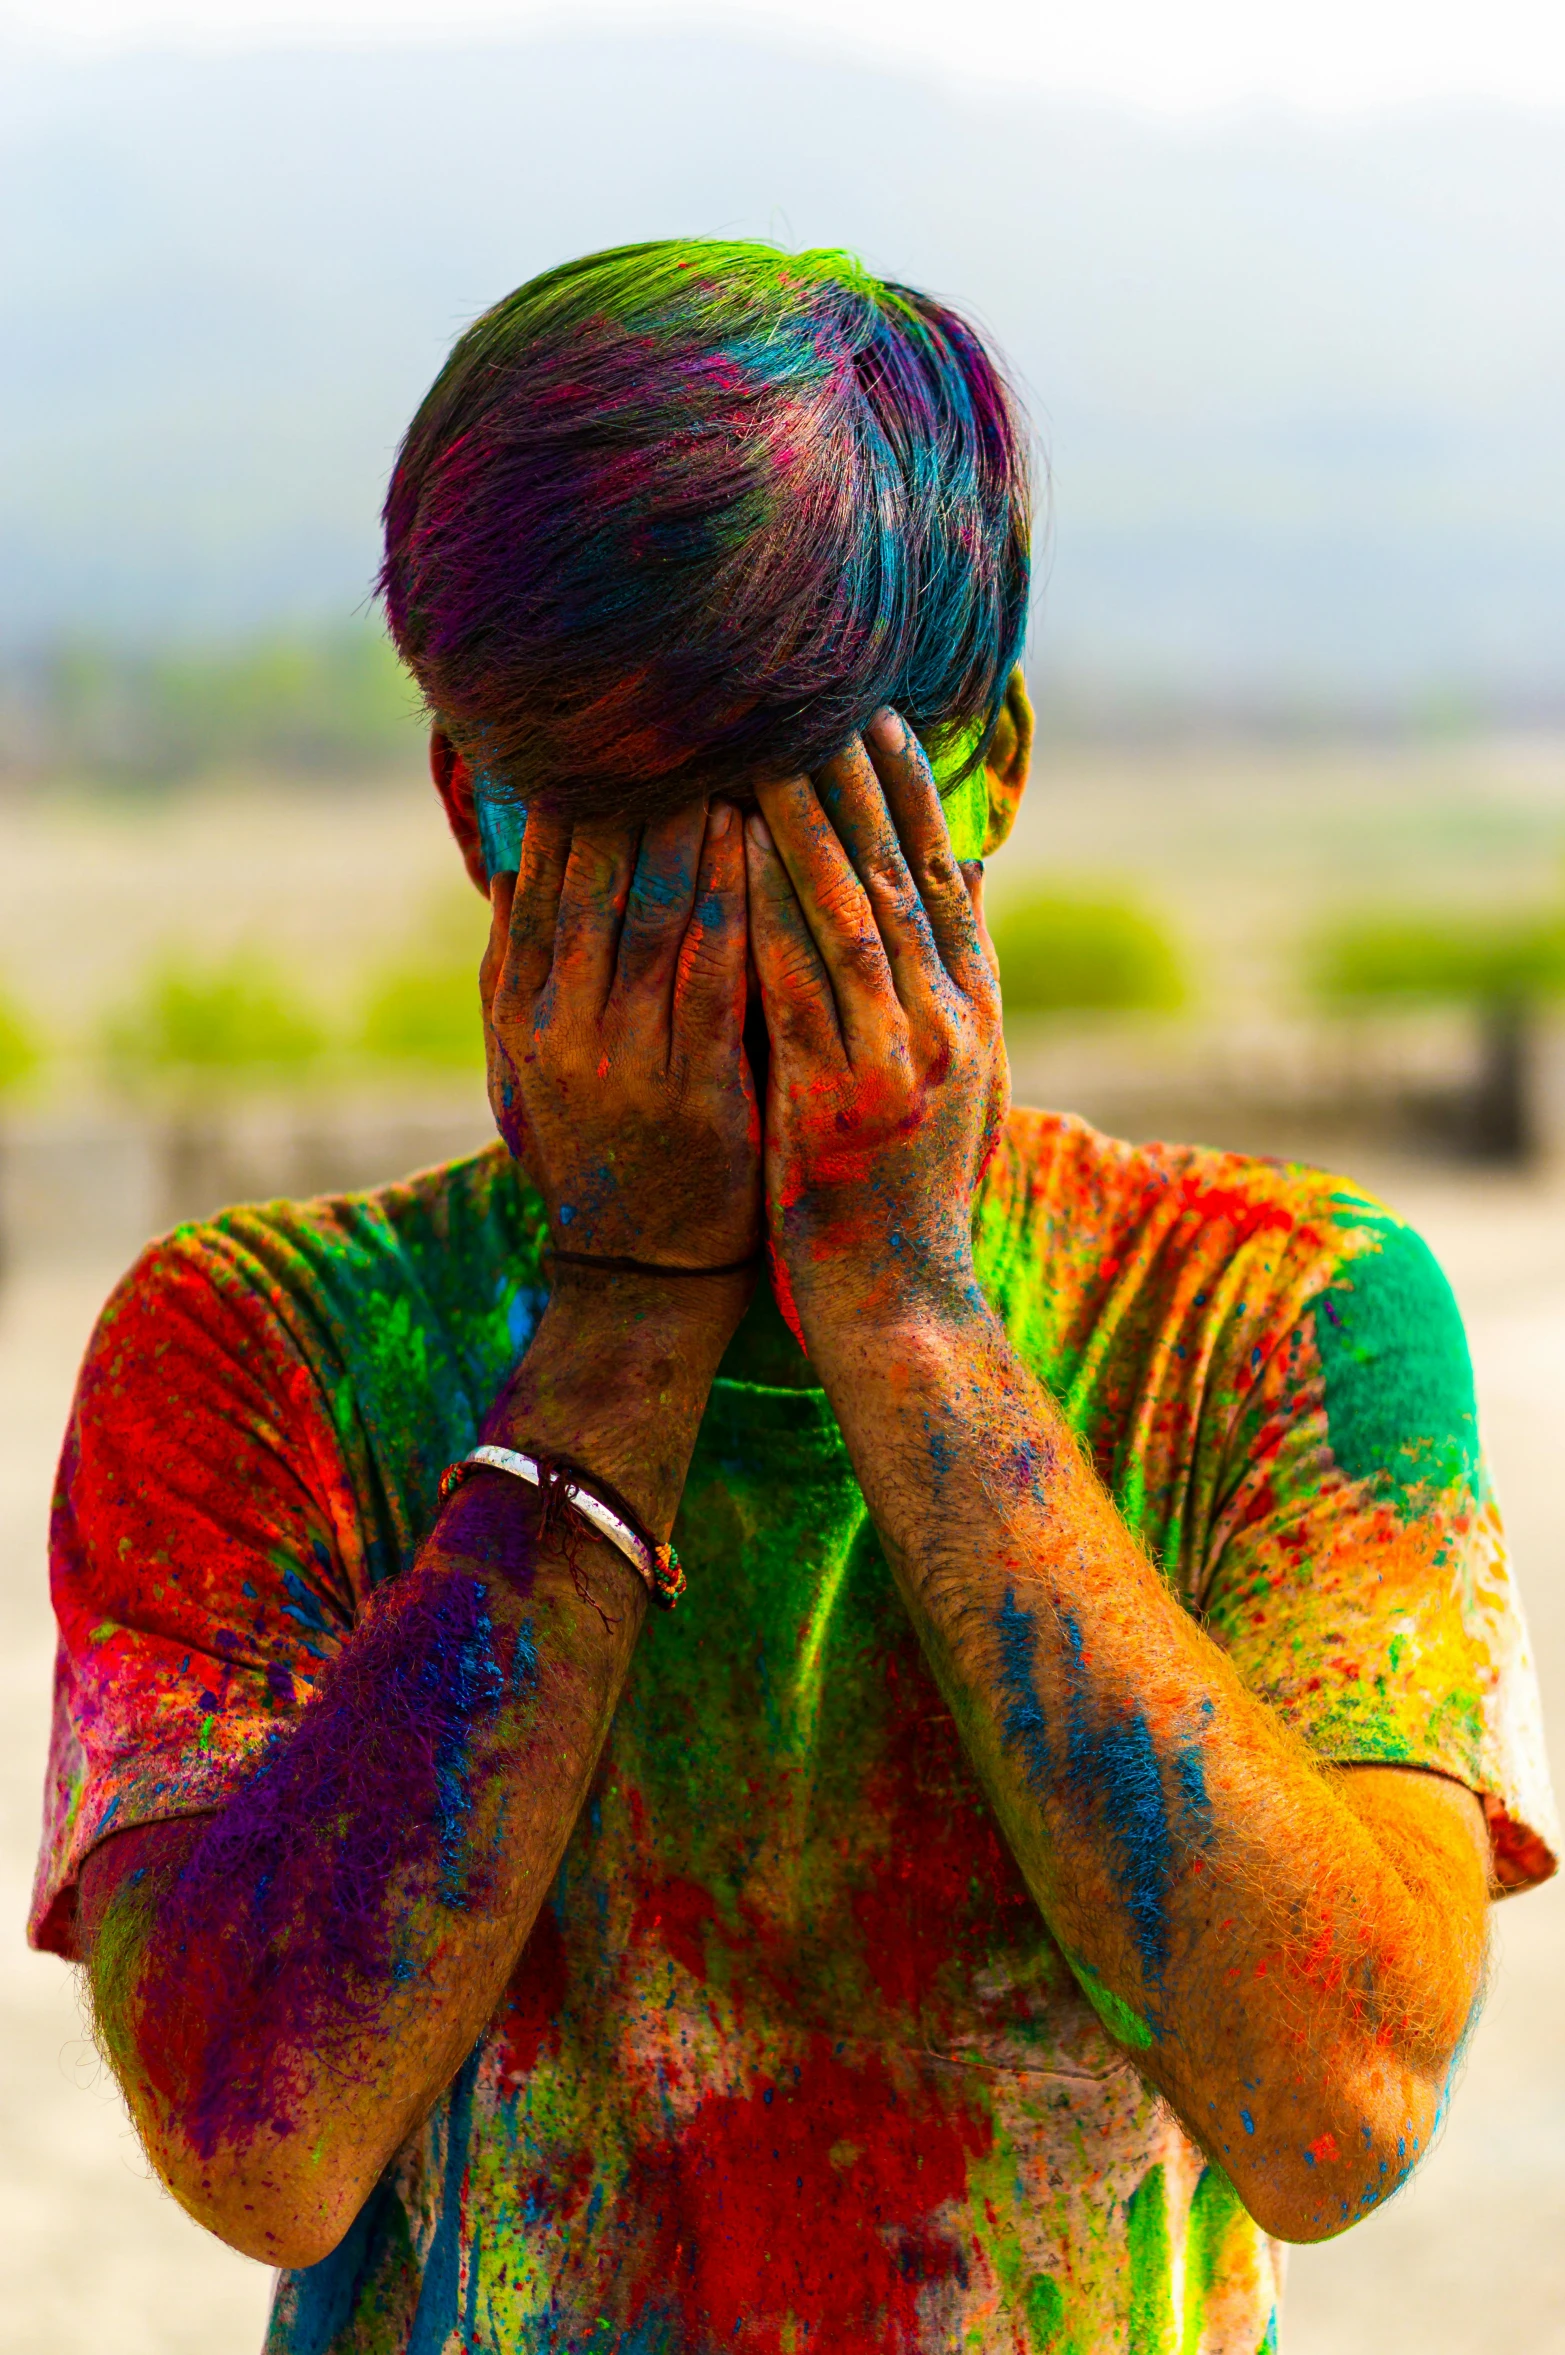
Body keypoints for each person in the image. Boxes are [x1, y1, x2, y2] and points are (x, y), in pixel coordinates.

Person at [30, 241, 1557, 2355]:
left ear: (985, 782)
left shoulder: (1273, 1321)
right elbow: (260, 2139)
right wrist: (624, 1311)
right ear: (475, 814)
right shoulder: (260, 1350)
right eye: (609, 827)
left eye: (790, 828)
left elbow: (1338, 2104)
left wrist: (913, 1321)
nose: (700, 934)